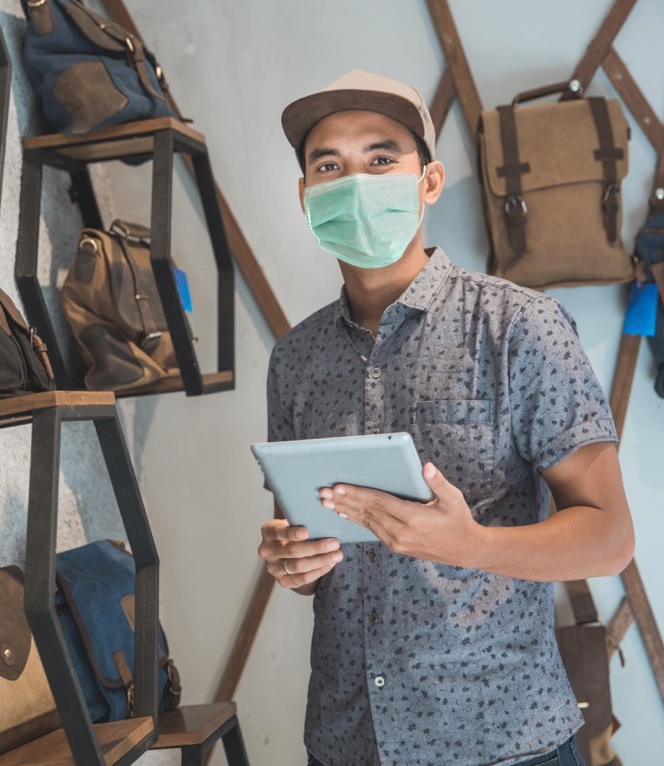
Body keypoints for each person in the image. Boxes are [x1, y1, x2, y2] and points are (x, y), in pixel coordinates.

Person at [256, 70, 635, 766]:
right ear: (306, 196)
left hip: (505, 741)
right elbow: (311, 542)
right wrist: (293, 560)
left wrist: (474, 545)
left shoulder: (520, 326)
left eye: (380, 159)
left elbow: (610, 536)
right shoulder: (294, 359)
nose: (356, 183)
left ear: (427, 181)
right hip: (347, 741)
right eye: (328, 166)